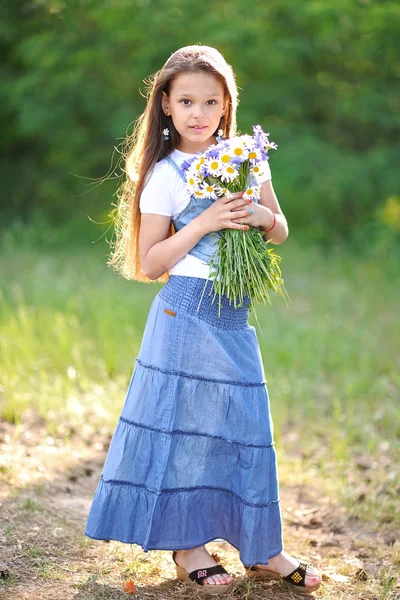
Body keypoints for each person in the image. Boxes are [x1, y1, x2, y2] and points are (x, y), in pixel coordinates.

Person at [85, 45, 321, 594]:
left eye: (210, 102)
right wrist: (207, 221)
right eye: (186, 100)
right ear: (166, 104)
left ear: (226, 106)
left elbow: (279, 228)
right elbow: (150, 263)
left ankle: (263, 550)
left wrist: (262, 216)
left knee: (245, 430)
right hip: (185, 310)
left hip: (233, 316)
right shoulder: (166, 175)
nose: (198, 112)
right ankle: (187, 546)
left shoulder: (244, 157)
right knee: (183, 433)